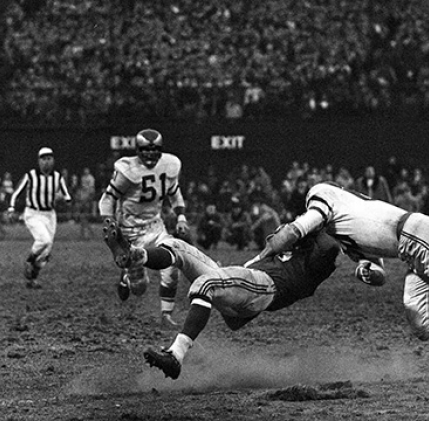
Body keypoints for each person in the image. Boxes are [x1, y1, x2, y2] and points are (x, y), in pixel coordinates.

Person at [252, 181, 429, 377]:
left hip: (422, 236)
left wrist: (261, 256)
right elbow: (379, 273)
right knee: (421, 322)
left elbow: (294, 231)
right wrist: (366, 272)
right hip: (412, 251)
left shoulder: (323, 196)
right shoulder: (343, 228)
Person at [102, 218, 340, 379]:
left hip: (266, 287)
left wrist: (318, 221)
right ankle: (136, 255)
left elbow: (328, 245)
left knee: (207, 284)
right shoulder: (299, 247)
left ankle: (175, 355)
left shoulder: (322, 256)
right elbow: (285, 235)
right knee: (176, 246)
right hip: (248, 283)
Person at [98, 128, 190, 328]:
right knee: (140, 288)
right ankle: (126, 278)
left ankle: (166, 315)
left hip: (156, 226)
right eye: (145, 149)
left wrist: (181, 216)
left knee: (172, 265)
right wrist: (108, 220)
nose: (150, 153)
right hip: (131, 231)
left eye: (154, 149)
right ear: (138, 150)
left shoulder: (170, 164)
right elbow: (108, 198)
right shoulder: (127, 170)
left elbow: (174, 192)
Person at [8, 147, 72, 289]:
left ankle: (32, 280)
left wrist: (63, 199)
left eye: (49, 159)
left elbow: (67, 196)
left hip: (50, 215)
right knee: (44, 240)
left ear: (53, 160)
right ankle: (29, 260)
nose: (46, 162)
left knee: (46, 250)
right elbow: (16, 192)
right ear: (38, 161)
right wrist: (11, 208)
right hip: (33, 213)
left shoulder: (58, 177)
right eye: (43, 159)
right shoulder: (30, 176)